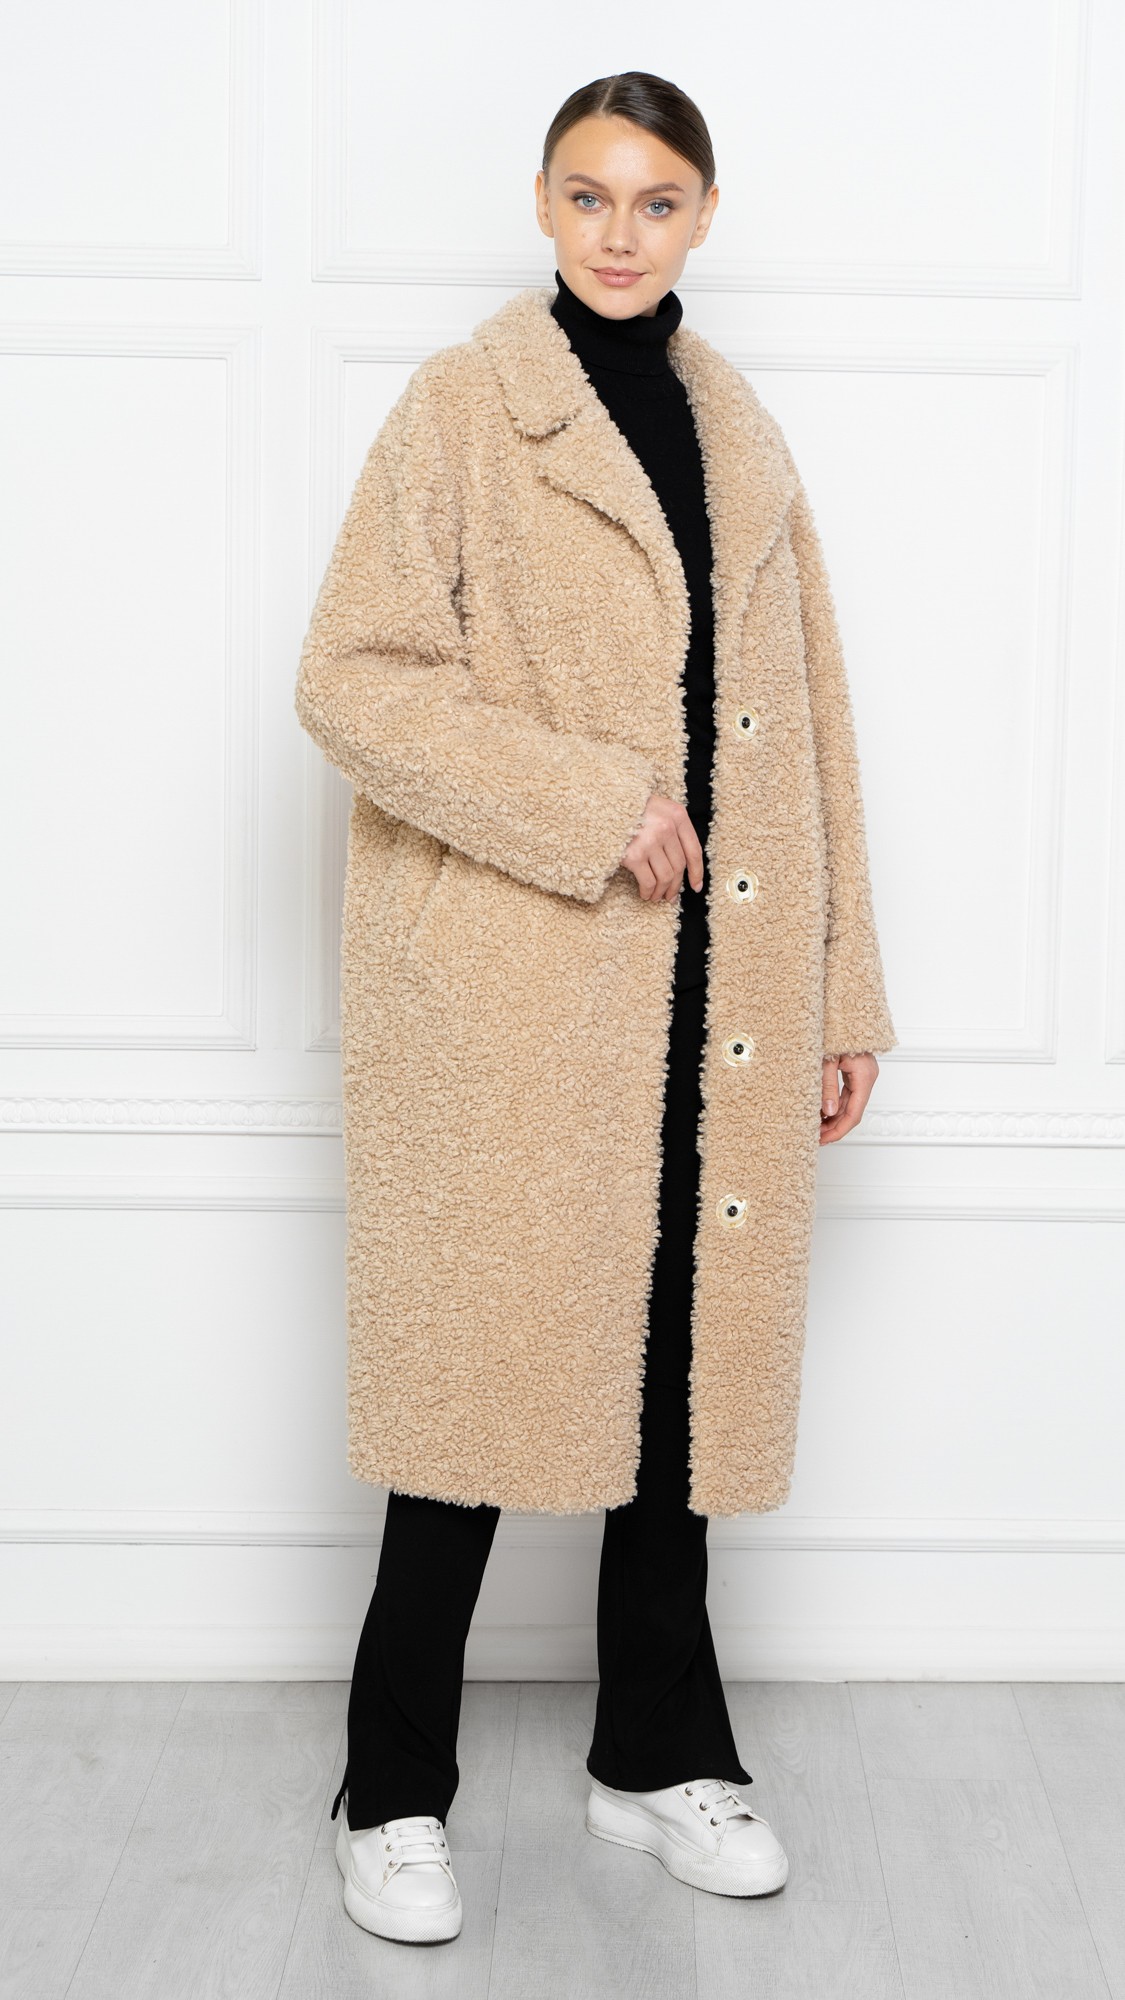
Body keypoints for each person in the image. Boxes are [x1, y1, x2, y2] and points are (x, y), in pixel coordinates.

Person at [294, 71, 896, 1948]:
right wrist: (587, 803)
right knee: (471, 1399)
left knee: (674, 1403)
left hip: (717, 994)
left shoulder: (740, 433)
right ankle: (391, 1789)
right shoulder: (466, 408)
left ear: (703, 214)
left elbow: (812, 737)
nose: (616, 232)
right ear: (541, 205)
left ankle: (655, 1753)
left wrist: (840, 991)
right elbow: (354, 678)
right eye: (585, 195)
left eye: (653, 200)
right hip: (519, 994)